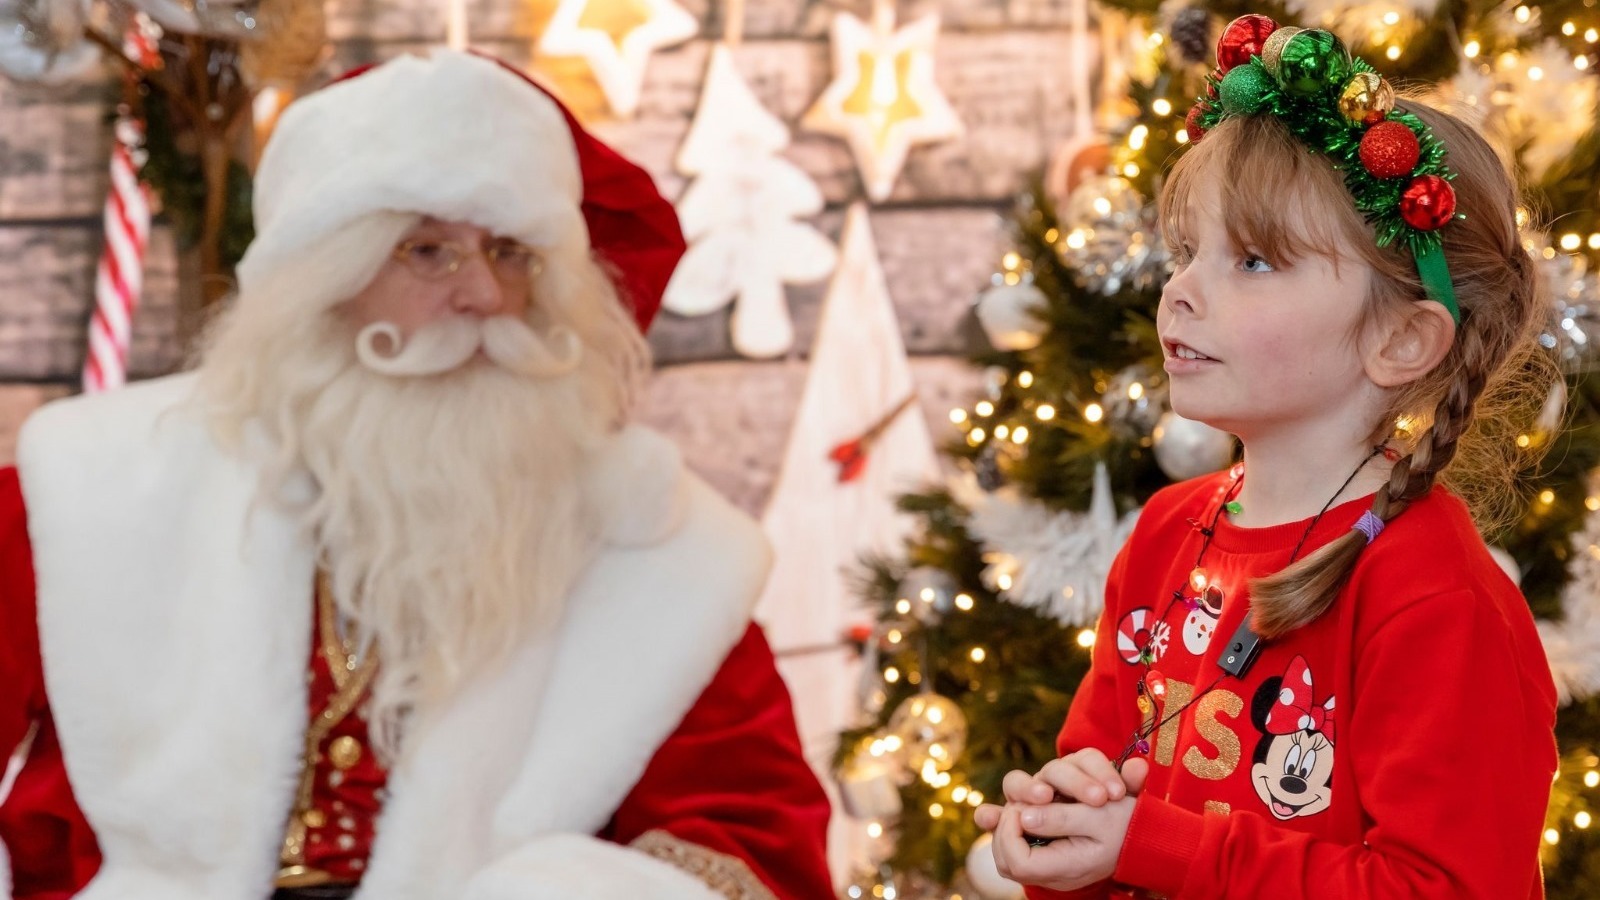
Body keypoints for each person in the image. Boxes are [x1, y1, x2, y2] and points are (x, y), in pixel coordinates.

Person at [0, 49, 832, 900]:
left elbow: (749, 828)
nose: (484, 295)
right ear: (326, 280)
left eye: (511, 252)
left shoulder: (657, 548)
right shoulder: (93, 486)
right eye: (427, 250)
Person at [974, 15, 1559, 899]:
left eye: (1251, 261)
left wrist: (1155, 847)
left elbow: (1442, 888)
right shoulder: (1169, 533)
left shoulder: (1434, 595)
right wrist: (1060, 825)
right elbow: (1102, 781)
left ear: (1401, 340)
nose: (1181, 290)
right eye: (1185, 253)